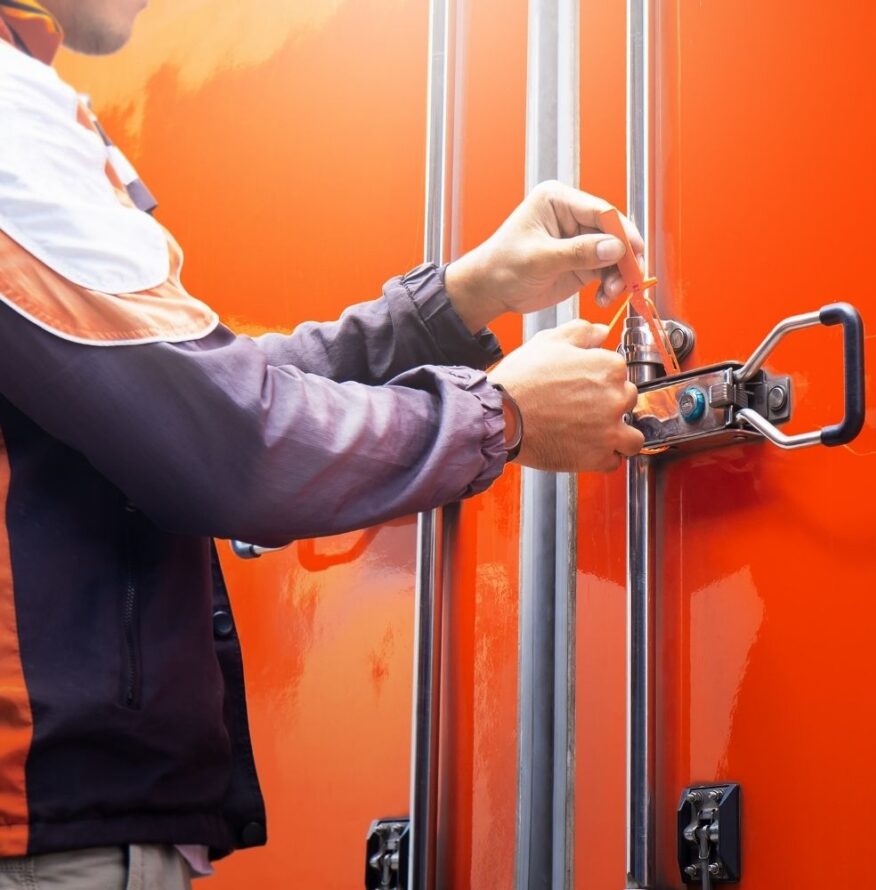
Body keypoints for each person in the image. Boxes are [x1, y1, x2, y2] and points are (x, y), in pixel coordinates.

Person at [0, 0, 646, 886]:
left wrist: (458, 300)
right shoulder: (10, 118)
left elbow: (197, 392)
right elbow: (232, 442)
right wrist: (500, 415)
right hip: (38, 840)